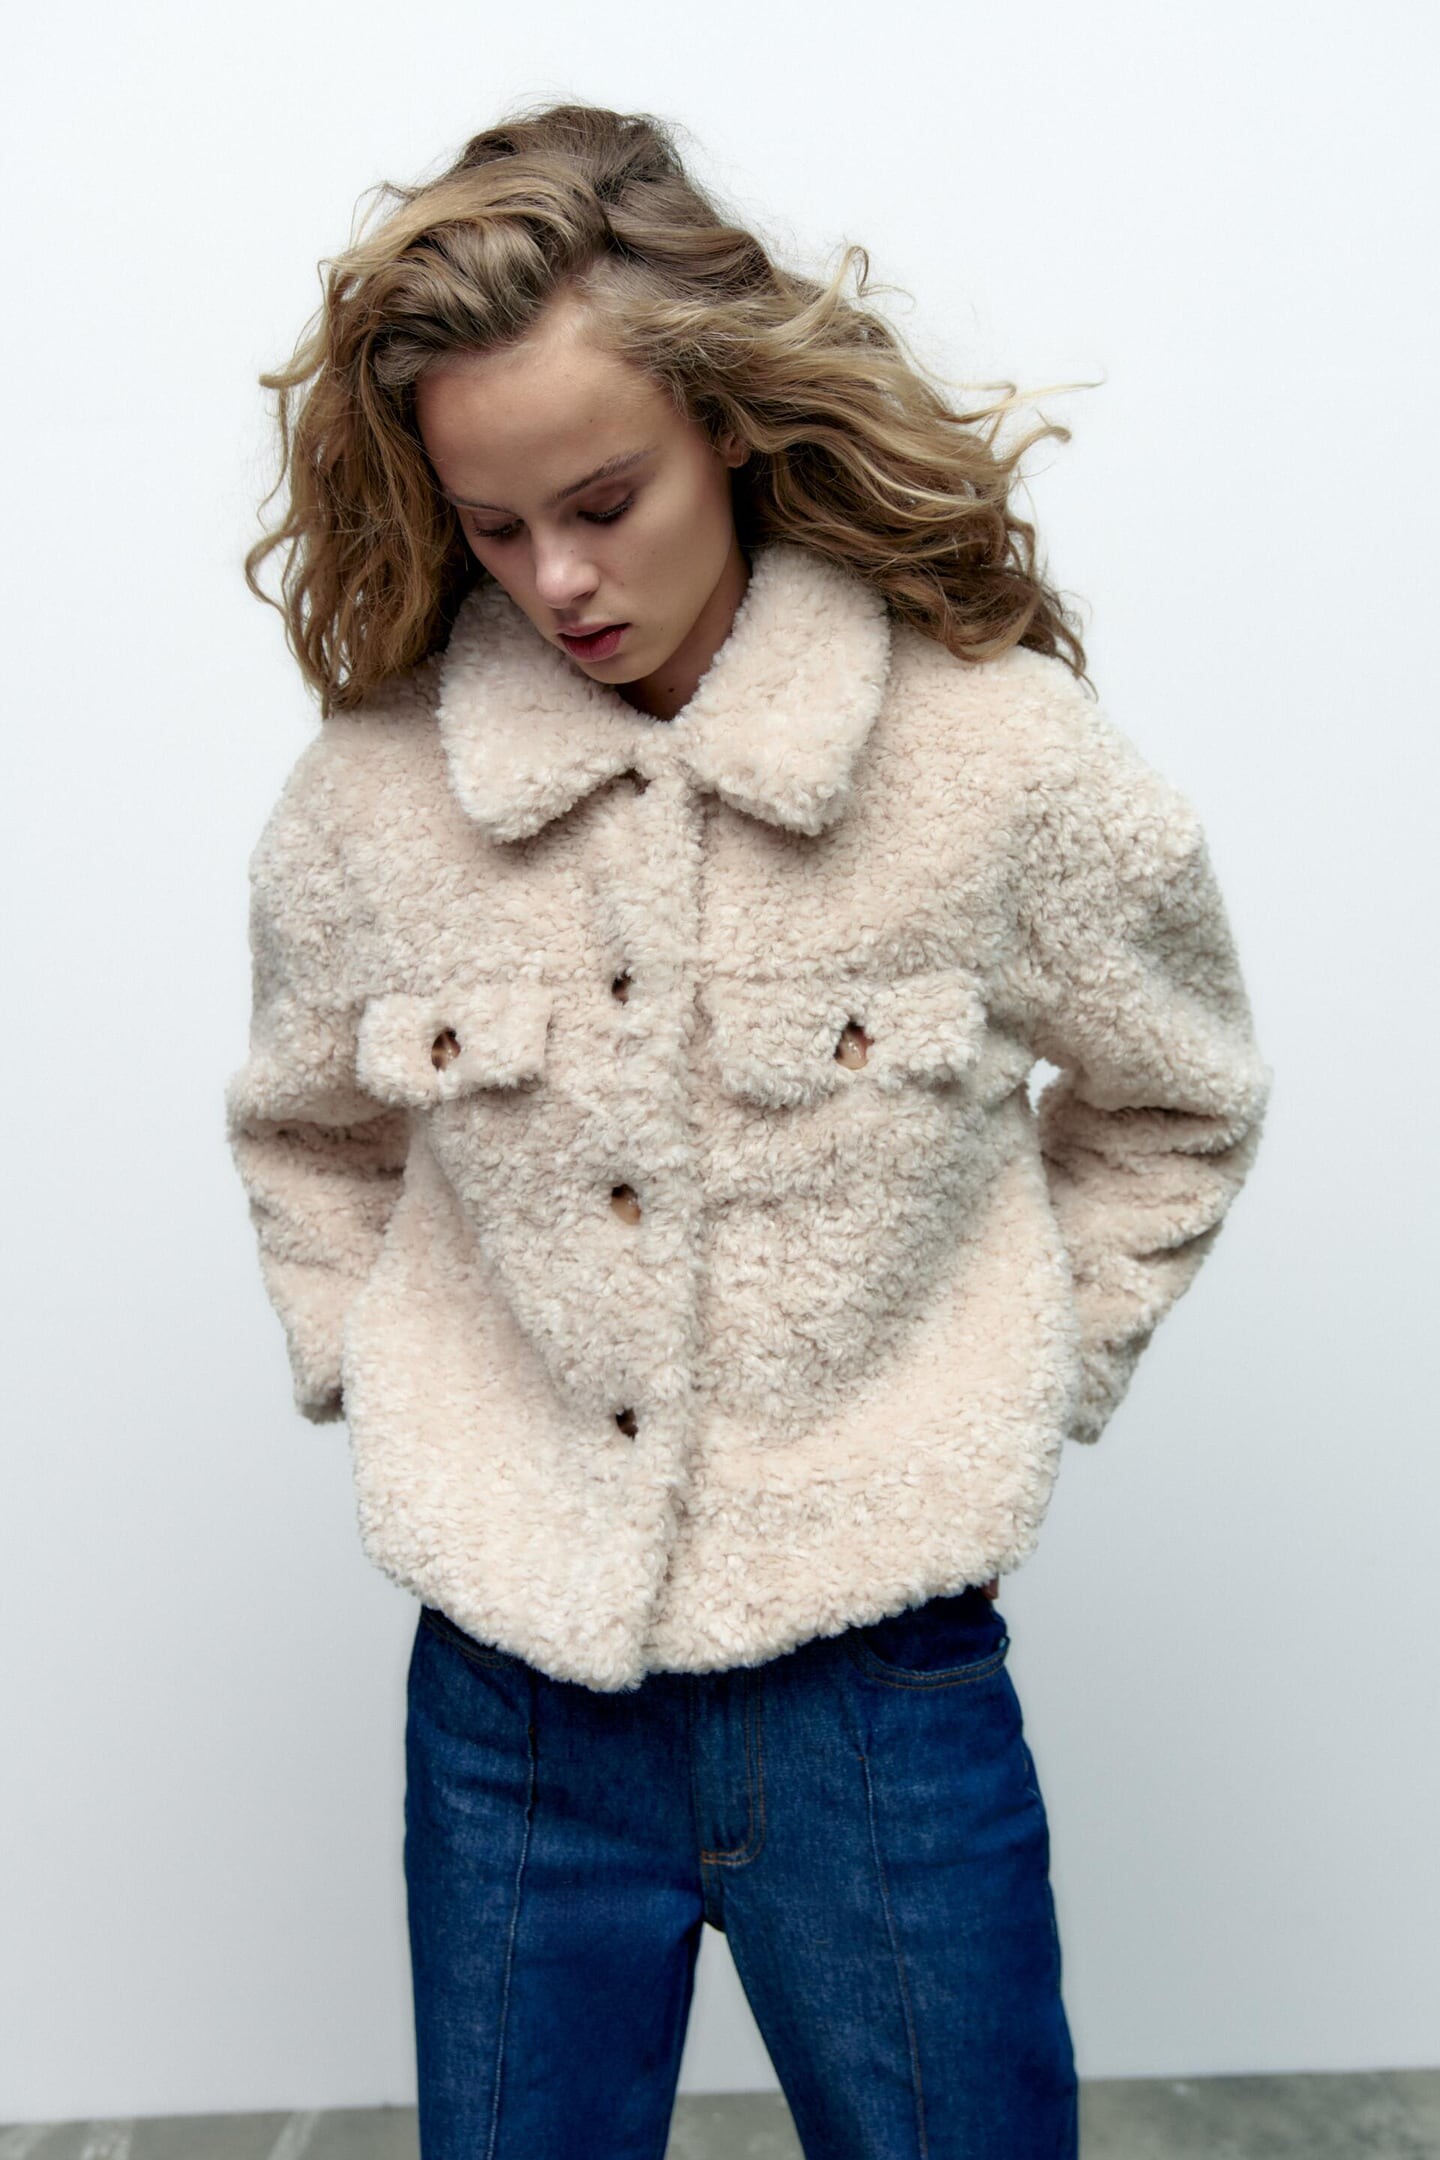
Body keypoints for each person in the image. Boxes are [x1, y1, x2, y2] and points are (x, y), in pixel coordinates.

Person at [225, 99, 1272, 2160]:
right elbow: (307, 1133)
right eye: (494, 526)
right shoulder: (368, 808)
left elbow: (1182, 1095)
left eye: (603, 500)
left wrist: (1025, 1363)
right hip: (510, 1707)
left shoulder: (999, 765)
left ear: (723, 424)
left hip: (881, 1693)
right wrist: (383, 1367)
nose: (557, 578)